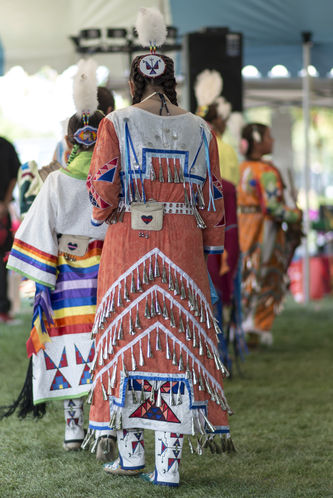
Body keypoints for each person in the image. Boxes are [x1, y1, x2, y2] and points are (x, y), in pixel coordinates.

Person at [83, 7, 234, 488]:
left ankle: (129, 453)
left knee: (126, 341)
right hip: (183, 248)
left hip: (129, 242)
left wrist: (102, 213)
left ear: (134, 83)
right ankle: (167, 463)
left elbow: (103, 195)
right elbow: (213, 199)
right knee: (176, 344)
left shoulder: (115, 124)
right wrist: (210, 249)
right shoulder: (200, 130)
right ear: (173, 81)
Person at [5, 60, 109, 453]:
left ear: (69, 143)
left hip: (66, 283)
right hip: (106, 278)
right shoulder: (115, 185)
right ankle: (105, 426)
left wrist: (43, 277)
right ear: (104, 141)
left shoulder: (56, 183)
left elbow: (34, 237)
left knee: (70, 342)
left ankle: (73, 428)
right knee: (104, 343)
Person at [195, 70, 244, 368]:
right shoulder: (226, 151)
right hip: (221, 229)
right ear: (219, 121)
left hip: (193, 228)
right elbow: (230, 193)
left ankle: (207, 356)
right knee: (215, 294)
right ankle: (220, 355)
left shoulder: (189, 145)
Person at [237, 123, 302, 346]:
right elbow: (273, 208)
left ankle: (239, 324)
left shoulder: (241, 167)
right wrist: (295, 215)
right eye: (269, 136)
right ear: (258, 142)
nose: (272, 140)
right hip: (264, 231)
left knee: (245, 276)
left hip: (242, 228)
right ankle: (256, 327)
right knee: (265, 276)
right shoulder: (266, 172)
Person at [0, 136, 20, 323]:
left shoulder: (6, 146)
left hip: (2, 212)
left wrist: (4, 204)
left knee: (2, 262)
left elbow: (15, 176)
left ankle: (3, 310)